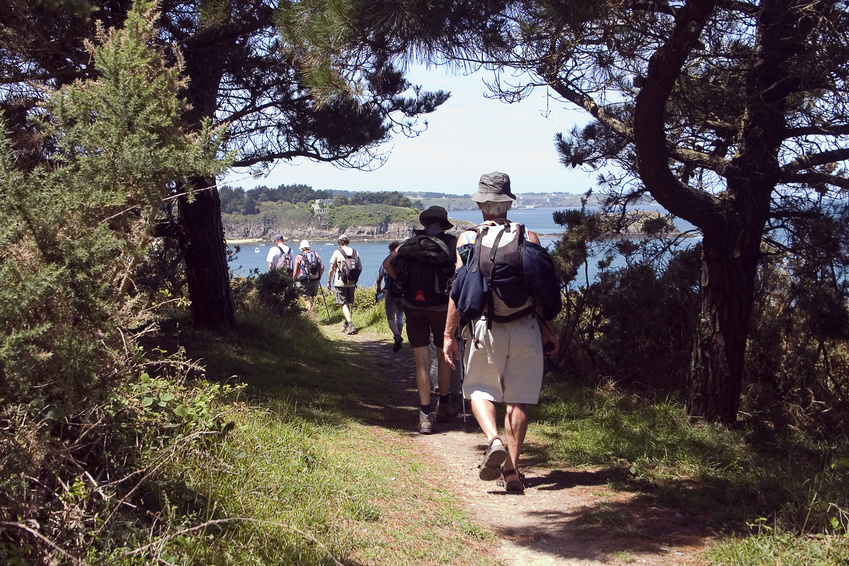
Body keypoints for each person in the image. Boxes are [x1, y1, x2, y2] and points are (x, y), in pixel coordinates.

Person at [443, 172, 561, 492]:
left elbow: (460, 289)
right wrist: (548, 331)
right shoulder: (529, 237)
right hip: (525, 327)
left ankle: (493, 440)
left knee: (480, 389)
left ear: (480, 203)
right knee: (518, 399)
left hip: (485, 327)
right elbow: (539, 291)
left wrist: (449, 336)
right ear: (508, 203)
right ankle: (512, 471)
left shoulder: (467, 240)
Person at [384, 206, 458, 434]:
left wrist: (402, 284)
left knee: (421, 361)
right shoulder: (452, 243)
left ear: (425, 223)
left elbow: (388, 264)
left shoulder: (408, 243)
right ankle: (444, 404)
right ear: (443, 224)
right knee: (442, 354)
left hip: (413, 305)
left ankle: (425, 415)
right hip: (441, 306)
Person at [327, 234, 361, 334]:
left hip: (340, 282)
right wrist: (354, 279)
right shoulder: (355, 252)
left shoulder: (337, 252)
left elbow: (331, 269)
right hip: (352, 282)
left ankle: (350, 324)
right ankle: (346, 325)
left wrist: (329, 281)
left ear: (339, 243)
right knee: (348, 303)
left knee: (343, 304)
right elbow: (360, 268)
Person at [376, 241, 405, 352]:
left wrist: (378, 288)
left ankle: (397, 335)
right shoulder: (404, 262)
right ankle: (399, 336)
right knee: (400, 314)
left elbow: (379, 278)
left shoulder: (388, 261)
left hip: (390, 291)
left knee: (390, 316)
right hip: (402, 292)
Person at [293, 240, 324, 312]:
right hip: (315, 279)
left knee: (307, 298)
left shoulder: (299, 257)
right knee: (312, 297)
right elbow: (322, 267)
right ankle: (311, 311)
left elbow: (295, 271)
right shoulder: (316, 254)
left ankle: (309, 315)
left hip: (304, 280)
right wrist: (319, 277)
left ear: (301, 248)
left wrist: (294, 280)